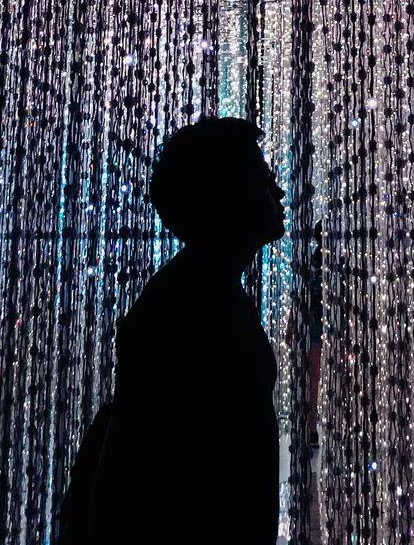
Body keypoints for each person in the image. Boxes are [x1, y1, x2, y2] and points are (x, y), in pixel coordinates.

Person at [57, 116, 286, 544]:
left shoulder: (198, 291)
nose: (279, 192)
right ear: (225, 199)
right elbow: (164, 467)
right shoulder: (190, 308)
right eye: (263, 181)